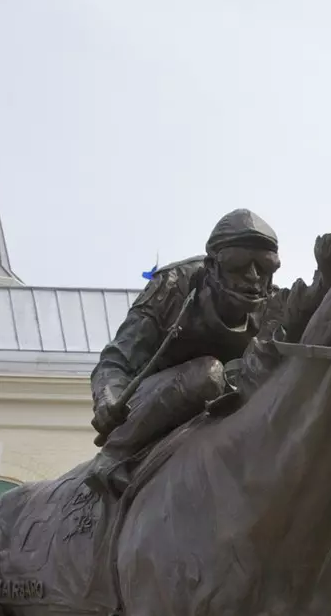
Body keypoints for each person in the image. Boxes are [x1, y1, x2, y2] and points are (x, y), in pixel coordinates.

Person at [83, 208, 283, 496]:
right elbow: (115, 361)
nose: (253, 277)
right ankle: (114, 456)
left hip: (223, 405)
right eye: (240, 265)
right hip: (149, 401)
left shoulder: (273, 308)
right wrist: (107, 398)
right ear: (213, 266)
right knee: (209, 374)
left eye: (263, 267)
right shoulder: (172, 286)